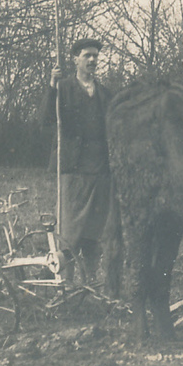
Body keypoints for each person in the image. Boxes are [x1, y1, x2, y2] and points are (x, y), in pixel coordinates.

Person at [42, 38, 118, 284]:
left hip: (101, 169)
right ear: (75, 59)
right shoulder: (63, 88)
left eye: (95, 56)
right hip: (73, 168)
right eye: (87, 55)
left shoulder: (105, 93)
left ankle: (91, 279)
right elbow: (44, 119)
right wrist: (52, 85)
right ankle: (64, 278)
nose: (92, 60)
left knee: (95, 228)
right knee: (70, 227)